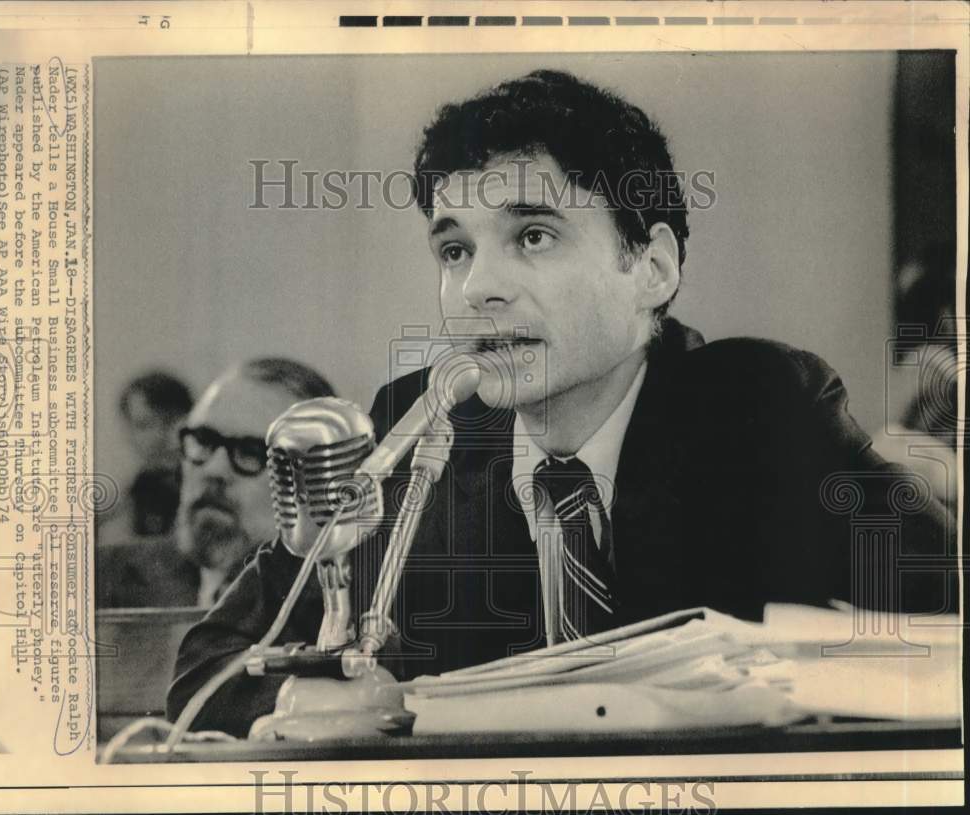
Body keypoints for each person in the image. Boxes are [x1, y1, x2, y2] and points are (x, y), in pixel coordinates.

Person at [167, 70, 956, 737]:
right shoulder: (414, 427)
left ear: (651, 268)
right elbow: (209, 670)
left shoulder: (757, 409)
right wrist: (341, 709)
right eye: (454, 250)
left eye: (533, 236)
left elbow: (948, 626)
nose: (478, 288)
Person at [96, 358, 335, 608]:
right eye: (203, 440)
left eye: (251, 452)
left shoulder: (347, 608)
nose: (213, 470)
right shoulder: (100, 582)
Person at [97, 371, 193, 544]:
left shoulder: (206, 485)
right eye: (141, 426)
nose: (158, 436)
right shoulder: (136, 491)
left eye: (169, 421)